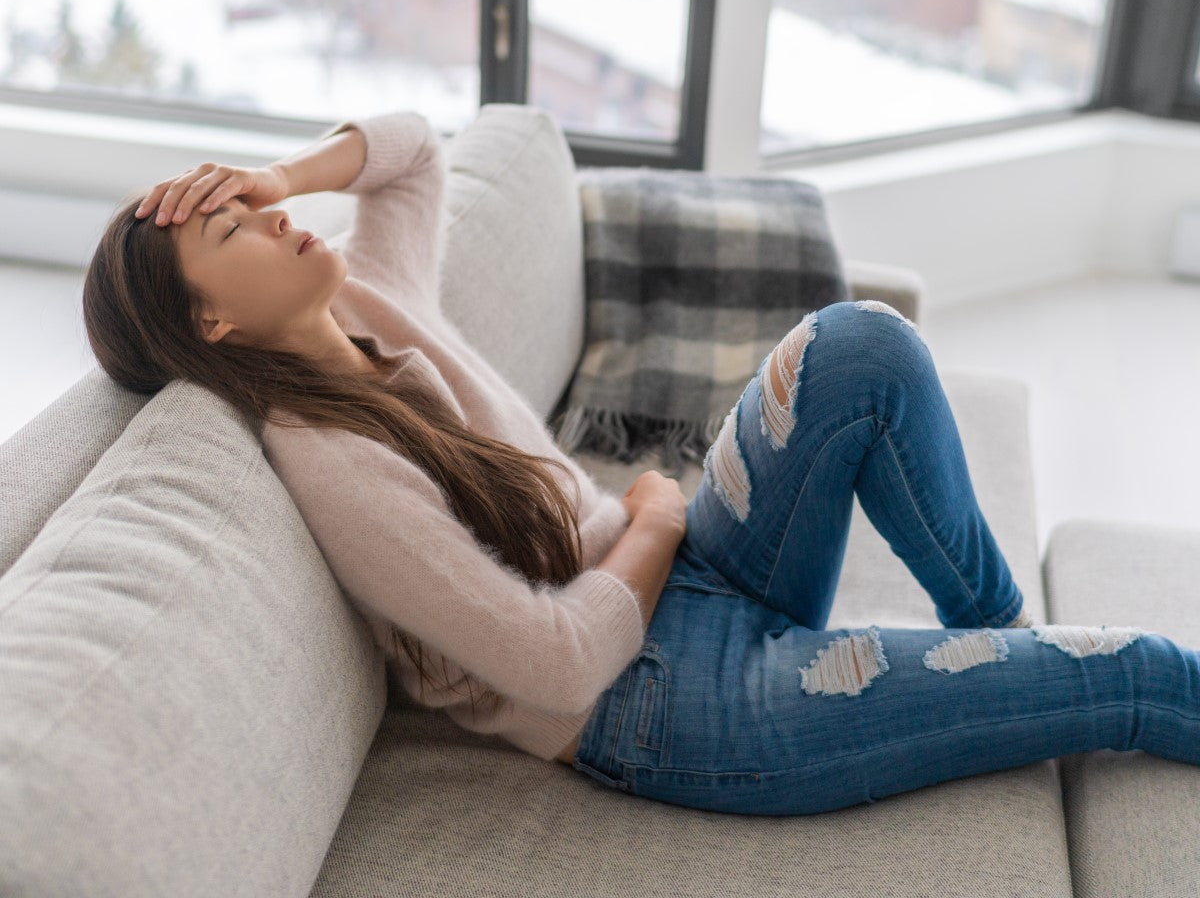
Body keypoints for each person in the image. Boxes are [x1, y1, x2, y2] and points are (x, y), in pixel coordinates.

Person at [81, 109, 1200, 818]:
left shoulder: (377, 299)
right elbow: (557, 664)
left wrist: (277, 174)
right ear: (215, 328)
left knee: (862, 342)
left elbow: (416, 150)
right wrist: (655, 514)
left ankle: (997, 635)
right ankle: (1026, 665)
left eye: (257, 212)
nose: (275, 224)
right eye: (238, 236)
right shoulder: (329, 462)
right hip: (665, 704)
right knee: (1137, 670)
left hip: (699, 574)